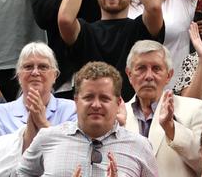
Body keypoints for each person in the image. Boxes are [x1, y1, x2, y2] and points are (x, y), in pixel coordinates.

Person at [17, 61, 157, 176]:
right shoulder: (48, 138)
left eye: (104, 98)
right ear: (76, 101)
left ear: (118, 103)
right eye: (89, 97)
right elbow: (21, 174)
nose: (96, 105)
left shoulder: (140, 146)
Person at [123, 40, 202, 177]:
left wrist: (171, 129)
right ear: (129, 75)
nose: (149, 76)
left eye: (156, 68)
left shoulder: (194, 109)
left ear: (169, 75)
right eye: (141, 68)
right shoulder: (118, 115)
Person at [0, 42, 78, 156]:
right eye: (28, 67)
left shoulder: (72, 109)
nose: (35, 72)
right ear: (18, 76)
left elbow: (74, 154)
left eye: (43, 67)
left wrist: (42, 123)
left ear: (55, 75)